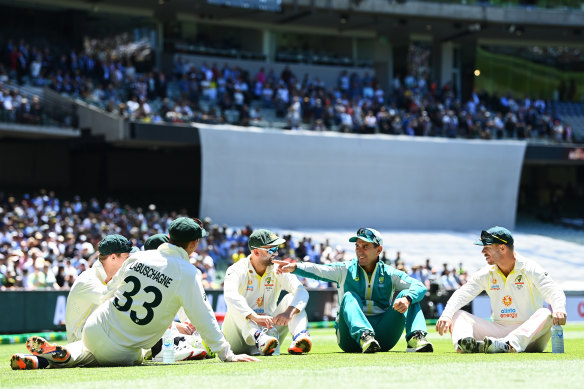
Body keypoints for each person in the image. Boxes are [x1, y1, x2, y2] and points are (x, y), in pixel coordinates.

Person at [15, 217, 258, 369]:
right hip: (122, 349)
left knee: (87, 351)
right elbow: (203, 317)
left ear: (170, 237)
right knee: (133, 354)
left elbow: (111, 291)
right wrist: (226, 353)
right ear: (193, 244)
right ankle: (61, 356)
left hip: (94, 327)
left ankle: (53, 357)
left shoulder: (137, 257)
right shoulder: (188, 273)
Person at [275, 228, 433, 353]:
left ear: (379, 250)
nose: (359, 250)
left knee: (410, 295)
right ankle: (365, 335)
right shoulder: (345, 269)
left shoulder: (390, 273)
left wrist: (407, 299)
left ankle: (416, 338)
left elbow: (419, 286)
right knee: (349, 296)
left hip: (384, 336)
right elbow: (319, 270)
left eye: (365, 246)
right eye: (357, 246)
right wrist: (295, 267)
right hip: (350, 338)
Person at [11, 234, 138, 370]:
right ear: (113, 257)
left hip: (98, 339)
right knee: (133, 355)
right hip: (83, 339)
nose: (128, 263)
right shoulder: (87, 279)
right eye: (126, 258)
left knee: (125, 350)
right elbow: (105, 296)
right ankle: (59, 354)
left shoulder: (105, 277)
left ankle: (38, 360)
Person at [435, 226, 567, 353]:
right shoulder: (487, 273)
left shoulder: (530, 268)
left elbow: (553, 290)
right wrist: (446, 315)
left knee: (545, 313)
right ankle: (465, 345)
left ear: (502, 248)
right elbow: (462, 293)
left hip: (531, 336)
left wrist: (559, 308)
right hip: (499, 331)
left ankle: (509, 344)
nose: (483, 252)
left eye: (487, 247)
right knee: (458, 315)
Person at [222, 229, 311, 356]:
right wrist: (254, 316)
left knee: (292, 297)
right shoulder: (237, 269)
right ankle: (259, 337)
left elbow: (301, 291)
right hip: (237, 339)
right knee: (234, 303)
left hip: (270, 333)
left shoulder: (278, 269)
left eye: (277, 248)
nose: (276, 253)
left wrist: (288, 312)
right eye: (271, 250)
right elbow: (230, 295)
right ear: (256, 252)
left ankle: (300, 337)